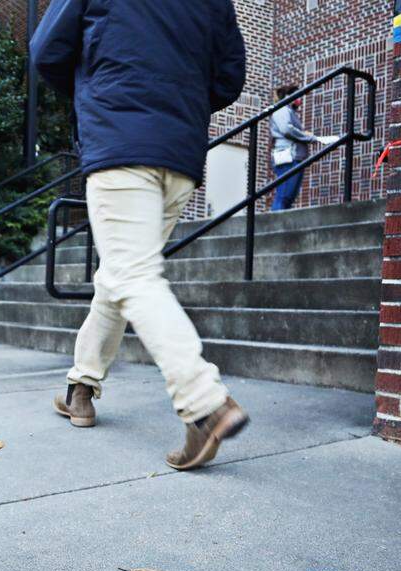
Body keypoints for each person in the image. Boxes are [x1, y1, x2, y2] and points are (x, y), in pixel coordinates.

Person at [31, 0, 249, 471]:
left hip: (119, 137)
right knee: (121, 274)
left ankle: (205, 403)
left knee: (132, 275)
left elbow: (46, 50)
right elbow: (230, 76)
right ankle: (81, 387)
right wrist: (178, 100)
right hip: (179, 152)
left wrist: (98, 91)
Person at [269, 86, 318, 211]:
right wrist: (308, 137)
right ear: (290, 96)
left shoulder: (290, 111)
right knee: (284, 195)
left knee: (289, 196)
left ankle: (280, 220)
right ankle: (275, 221)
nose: (300, 99)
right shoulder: (282, 109)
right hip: (288, 157)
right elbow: (286, 129)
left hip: (295, 157)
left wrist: (304, 135)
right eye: (298, 95)